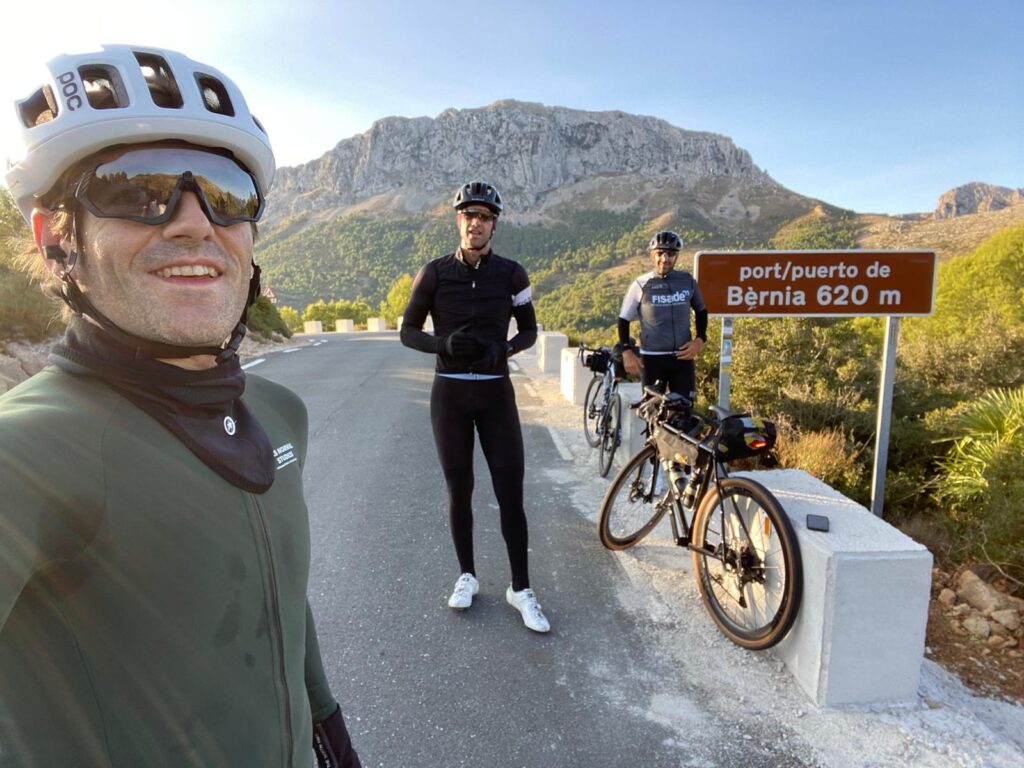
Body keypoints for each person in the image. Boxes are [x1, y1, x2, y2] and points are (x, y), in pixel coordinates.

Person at [0, 45, 360, 767]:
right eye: (138, 190)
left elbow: (285, 601)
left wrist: (329, 730)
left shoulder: (281, 410)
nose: (194, 223)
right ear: (57, 241)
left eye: (226, 194)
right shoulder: (29, 452)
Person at [400, 181, 550, 633]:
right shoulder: (433, 273)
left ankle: (521, 589)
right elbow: (408, 331)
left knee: (510, 493)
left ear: (494, 224)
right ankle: (467, 574)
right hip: (449, 396)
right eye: (469, 215)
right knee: (459, 489)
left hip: (495, 395)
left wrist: (505, 349)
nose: (475, 223)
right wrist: (442, 344)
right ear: (458, 220)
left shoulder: (512, 274)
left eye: (484, 216)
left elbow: (530, 331)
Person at [618, 230, 708, 401]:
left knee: (684, 410)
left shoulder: (687, 281)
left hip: (682, 359)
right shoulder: (641, 284)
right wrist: (626, 352)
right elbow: (623, 319)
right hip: (652, 359)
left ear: (677, 257)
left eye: (671, 254)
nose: (665, 258)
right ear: (652, 255)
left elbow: (701, 311)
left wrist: (699, 340)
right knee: (651, 410)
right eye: (660, 253)